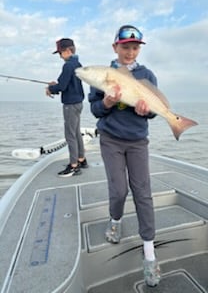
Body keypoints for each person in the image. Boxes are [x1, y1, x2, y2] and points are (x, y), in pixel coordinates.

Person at [88, 25, 161, 287]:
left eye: (135, 47)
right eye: (125, 47)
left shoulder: (147, 75)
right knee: (119, 190)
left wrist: (148, 111)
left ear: (138, 49)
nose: (130, 52)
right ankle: (116, 221)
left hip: (138, 141)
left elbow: (152, 110)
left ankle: (150, 253)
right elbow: (95, 110)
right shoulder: (104, 75)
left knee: (143, 192)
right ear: (115, 47)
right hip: (110, 140)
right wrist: (106, 103)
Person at [46, 38, 88, 177]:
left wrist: (51, 89)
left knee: (70, 135)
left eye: (60, 52)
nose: (59, 56)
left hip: (70, 105)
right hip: (78, 103)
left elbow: (62, 86)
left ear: (68, 51)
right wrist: (54, 85)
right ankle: (81, 160)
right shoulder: (77, 63)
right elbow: (66, 83)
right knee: (76, 133)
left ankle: (73, 166)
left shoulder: (68, 65)